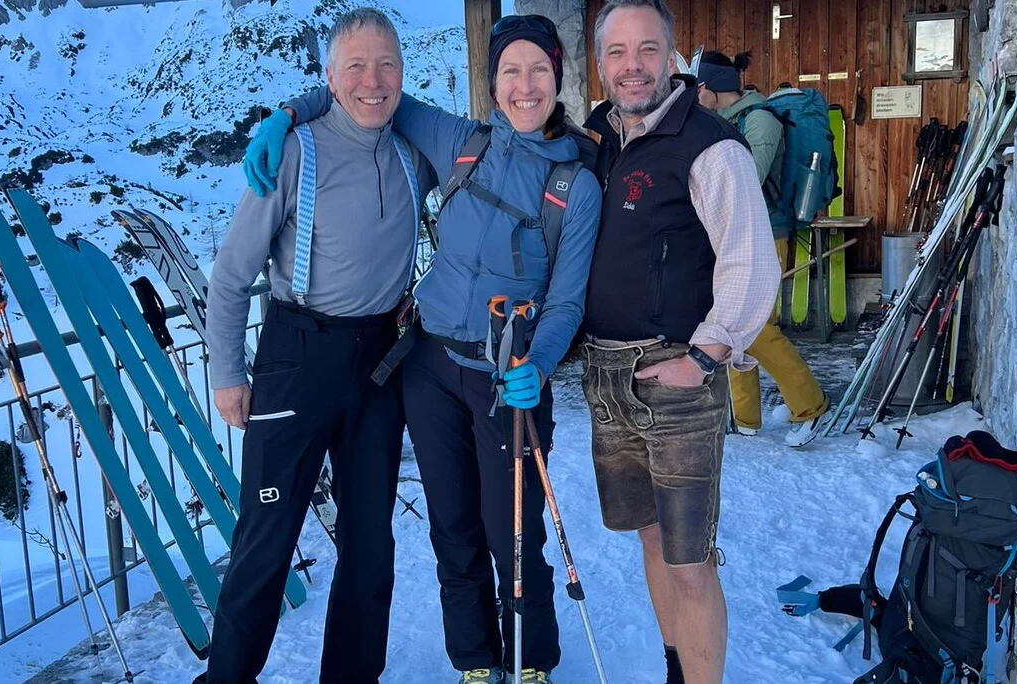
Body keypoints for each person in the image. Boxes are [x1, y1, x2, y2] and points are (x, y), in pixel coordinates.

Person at [243, 14, 602, 684]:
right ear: (493, 83)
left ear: (558, 79)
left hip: (506, 374)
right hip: (430, 367)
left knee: (511, 531)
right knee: (452, 526)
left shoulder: (576, 186)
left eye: (539, 71)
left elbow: (567, 303)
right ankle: (475, 661)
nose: (525, 86)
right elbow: (373, 91)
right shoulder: (462, 141)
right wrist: (287, 113)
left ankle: (530, 660)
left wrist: (539, 363)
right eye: (511, 71)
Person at [197, 9, 434, 684]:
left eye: (386, 64)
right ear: (330, 76)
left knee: (370, 546)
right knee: (265, 541)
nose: (372, 80)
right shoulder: (295, 152)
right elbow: (231, 276)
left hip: (380, 361)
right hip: (297, 354)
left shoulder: (412, 151)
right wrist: (227, 372)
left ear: (403, 73)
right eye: (355, 66)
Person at [579, 2, 780, 684]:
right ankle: (676, 669)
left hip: (676, 382)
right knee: (651, 539)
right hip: (609, 378)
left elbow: (749, 261)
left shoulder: (710, 145)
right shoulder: (600, 140)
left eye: (647, 50)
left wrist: (705, 356)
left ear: (672, 58)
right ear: (600, 64)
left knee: (690, 561)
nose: (632, 65)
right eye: (617, 52)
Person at [695, 50, 831, 447]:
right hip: (735, 235)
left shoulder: (760, 121)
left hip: (766, 233)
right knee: (733, 324)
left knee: (758, 329)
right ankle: (746, 418)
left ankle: (811, 405)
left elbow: (747, 180)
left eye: (696, 88)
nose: (693, 96)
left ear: (710, 87)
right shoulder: (728, 121)